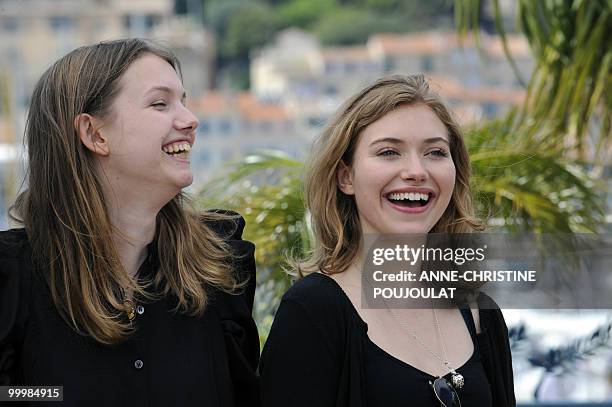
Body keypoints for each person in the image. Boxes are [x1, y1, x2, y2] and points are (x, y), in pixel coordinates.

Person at [0, 39, 259, 407]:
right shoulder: (12, 281)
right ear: (94, 134)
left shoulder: (219, 266)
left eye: (183, 101)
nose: (190, 119)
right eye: (160, 103)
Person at [259, 74, 515, 406]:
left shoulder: (481, 316)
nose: (416, 171)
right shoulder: (313, 311)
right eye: (389, 152)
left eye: (435, 152)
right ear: (346, 177)